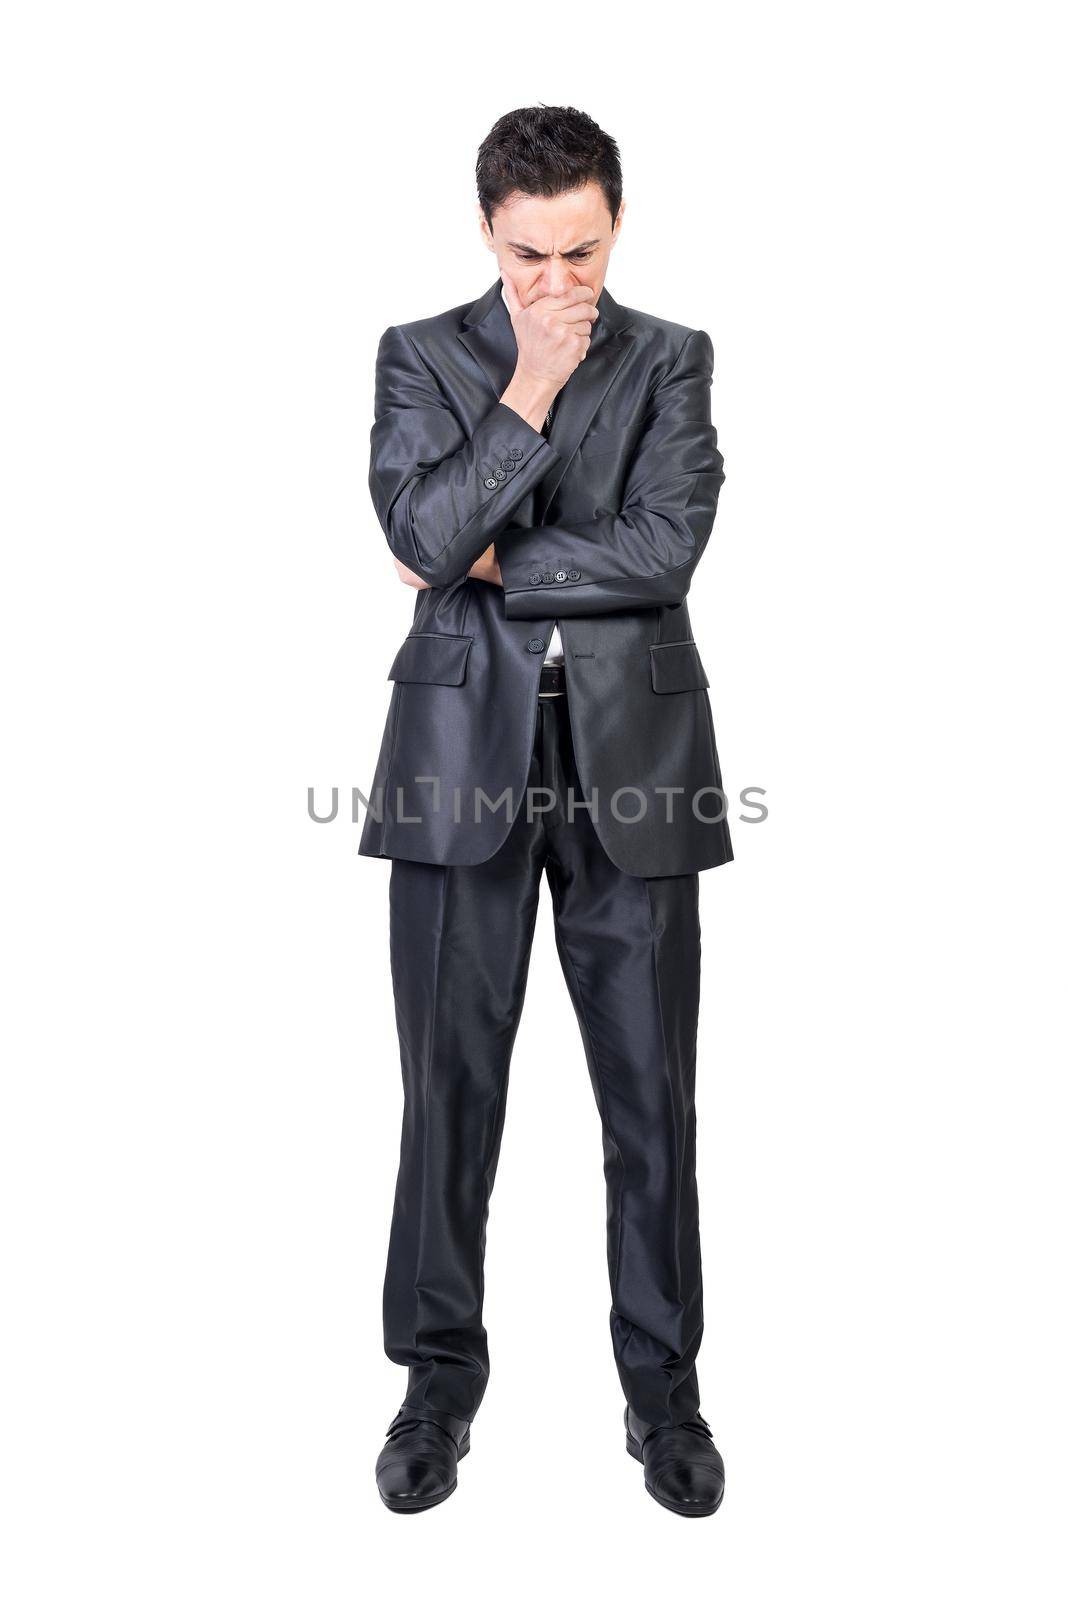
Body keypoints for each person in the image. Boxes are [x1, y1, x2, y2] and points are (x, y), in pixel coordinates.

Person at [360, 105, 732, 1516]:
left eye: (580, 250)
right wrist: (521, 391)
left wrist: (493, 557)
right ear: (486, 233)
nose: (557, 282)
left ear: (616, 226)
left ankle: (666, 1396)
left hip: (639, 759)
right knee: (447, 1099)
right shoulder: (422, 357)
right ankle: (434, 1389)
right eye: (529, 256)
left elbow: (668, 545)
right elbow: (415, 535)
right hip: (460, 759)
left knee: (652, 1103)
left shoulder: (676, 359)